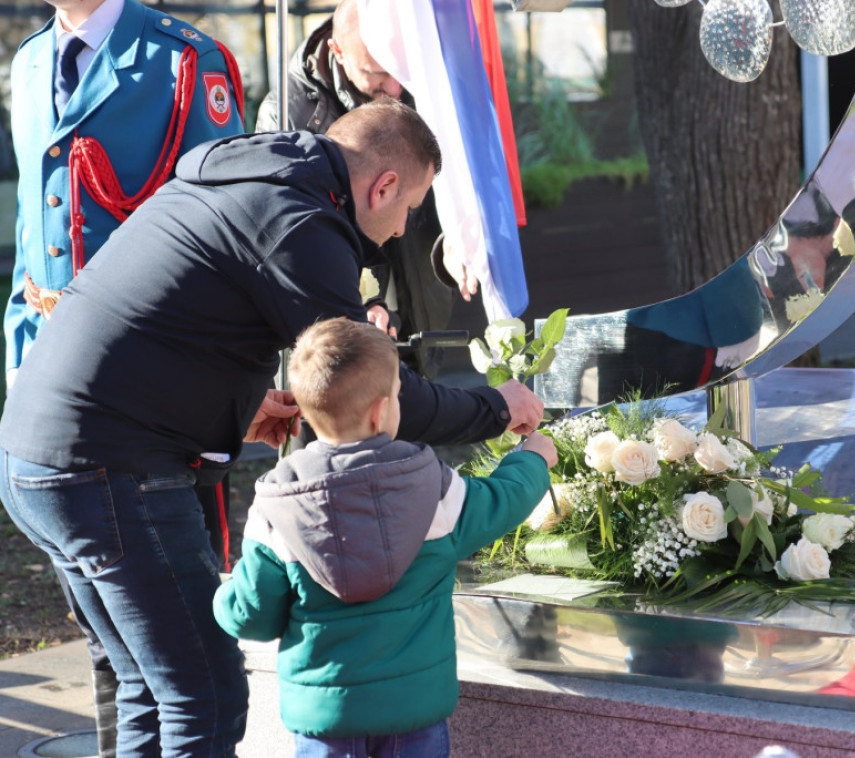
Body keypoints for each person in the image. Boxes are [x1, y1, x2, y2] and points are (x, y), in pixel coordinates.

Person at [0, 99, 542, 757]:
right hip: (111, 472)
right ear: (384, 185)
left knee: (153, 686)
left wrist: (231, 407)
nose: (402, 230)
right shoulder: (303, 228)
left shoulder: (251, 178)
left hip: (38, 452)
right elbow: (380, 394)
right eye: (410, 208)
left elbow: (168, 323)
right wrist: (498, 407)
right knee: (205, 695)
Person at [5, 2, 245, 754]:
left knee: (183, 666)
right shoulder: (30, 60)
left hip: (149, 402)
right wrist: (19, 366)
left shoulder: (183, 60)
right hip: (54, 399)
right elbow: (30, 234)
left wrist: (218, 400)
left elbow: (229, 230)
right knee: (112, 650)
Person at [213, 316, 557, 757]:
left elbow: (250, 617)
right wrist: (532, 458)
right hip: (413, 716)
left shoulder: (276, 507)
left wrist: (222, 597)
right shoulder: (434, 490)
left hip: (325, 722)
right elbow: (503, 499)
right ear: (381, 410)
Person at [256, 0, 473, 378]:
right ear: (337, 51)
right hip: (330, 325)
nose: (393, 89)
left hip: (417, 294)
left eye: (397, 71)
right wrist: (363, 297)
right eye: (376, 74)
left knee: (414, 408)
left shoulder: (422, 82)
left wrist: (456, 234)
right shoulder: (288, 116)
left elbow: (455, 174)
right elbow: (294, 237)